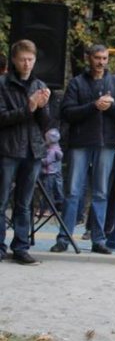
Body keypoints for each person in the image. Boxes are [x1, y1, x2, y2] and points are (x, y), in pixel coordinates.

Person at [50, 45, 115, 254]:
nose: (101, 62)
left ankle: (98, 239)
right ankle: (64, 238)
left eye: (104, 58)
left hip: (107, 143)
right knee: (73, 192)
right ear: (89, 58)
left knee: (101, 193)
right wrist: (93, 106)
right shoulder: (77, 83)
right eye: (97, 58)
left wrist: (110, 107)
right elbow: (66, 112)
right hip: (81, 142)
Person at [0, 39, 52, 265]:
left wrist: (42, 108)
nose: (27, 64)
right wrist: (28, 108)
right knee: (1, 201)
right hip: (9, 149)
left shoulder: (39, 84)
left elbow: (46, 123)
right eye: (22, 59)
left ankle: (21, 247)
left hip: (33, 150)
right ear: (14, 60)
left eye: (30, 59)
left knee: (25, 202)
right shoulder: (2, 84)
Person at [39, 128, 64, 218]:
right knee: (45, 191)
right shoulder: (51, 148)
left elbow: (47, 161)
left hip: (49, 172)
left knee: (46, 192)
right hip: (48, 172)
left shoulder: (52, 150)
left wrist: (39, 160)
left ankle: (48, 208)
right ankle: (43, 208)